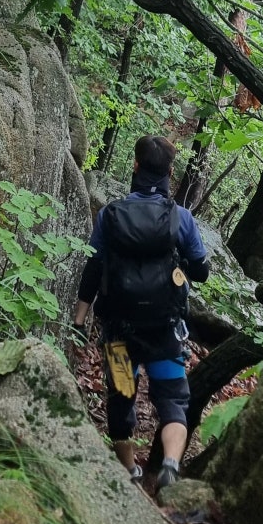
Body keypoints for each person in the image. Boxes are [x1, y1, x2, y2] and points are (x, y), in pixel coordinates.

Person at [70, 134, 210, 492]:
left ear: (135, 166)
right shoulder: (181, 219)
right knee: (174, 401)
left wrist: (80, 318)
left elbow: (93, 268)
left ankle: (130, 473)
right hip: (166, 330)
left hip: (119, 331)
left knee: (120, 402)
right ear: (170, 172)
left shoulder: (111, 215)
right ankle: (170, 463)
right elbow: (201, 270)